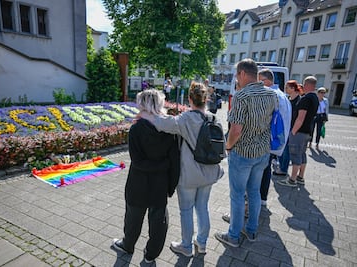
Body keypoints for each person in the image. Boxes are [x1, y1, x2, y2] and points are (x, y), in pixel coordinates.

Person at [140, 81, 224, 257]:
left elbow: (162, 124)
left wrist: (145, 113)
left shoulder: (186, 118)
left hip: (190, 175)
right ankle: (201, 244)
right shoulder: (213, 118)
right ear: (206, 99)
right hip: (209, 173)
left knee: (186, 210)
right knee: (203, 208)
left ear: (189, 99)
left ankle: (186, 246)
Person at [112, 89, 180, 263]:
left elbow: (137, 161)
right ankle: (151, 255)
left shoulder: (136, 129)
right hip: (160, 183)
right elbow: (175, 162)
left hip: (138, 182)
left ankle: (127, 245)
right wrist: (170, 186)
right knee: (159, 222)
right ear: (159, 104)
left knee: (133, 217)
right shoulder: (169, 129)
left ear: (142, 104)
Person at [215, 58, 276, 247]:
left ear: (242, 73)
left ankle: (233, 235)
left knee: (238, 194)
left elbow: (235, 130)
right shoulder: (271, 95)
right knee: (254, 192)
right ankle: (250, 230)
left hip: (243, 154)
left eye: (236, 75)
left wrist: (227, 147)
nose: (236, 79)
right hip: (262, 152)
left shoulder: (242, 96)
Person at [258, 69, 291, 206]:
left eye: (259, 81)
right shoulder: (282, 95)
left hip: (268, 141)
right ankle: (262, 199)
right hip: (277, 141)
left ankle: (258, 201)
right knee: (266, 170)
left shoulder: (270, 94)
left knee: (261, 172)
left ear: (266, 81)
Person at [278, 76, 319, 187]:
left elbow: (300, 117)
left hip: (299, 131)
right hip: (308, 131)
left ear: (307, 85)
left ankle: (292, 180)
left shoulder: (306, 99)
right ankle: (300, 177)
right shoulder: (315, 98)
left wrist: (293, 132)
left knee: (295, 154)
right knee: (302, 154)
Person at [275, 80, 301, 176]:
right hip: (286, 127)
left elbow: (298, 117)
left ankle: (283, 169)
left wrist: (293, 131)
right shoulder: (288, 99)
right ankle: (281, 165)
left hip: (292, 129)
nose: (285, 89)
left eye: (287, 87)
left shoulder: (298, 101)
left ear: (293, 88)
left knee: (286, 150)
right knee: (282, 147)